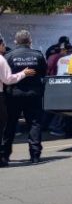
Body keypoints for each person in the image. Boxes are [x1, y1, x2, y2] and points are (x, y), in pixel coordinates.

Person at [1, 30, 46, 164]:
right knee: (34, 123)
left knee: (10, 124)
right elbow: (43, 72)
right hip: (33, 94)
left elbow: (5, 77)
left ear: (15, 41)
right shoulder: (38, 55)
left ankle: (4, 156)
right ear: (30, 41)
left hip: (13, 94)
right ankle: (35, 155)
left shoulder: (9, 56)